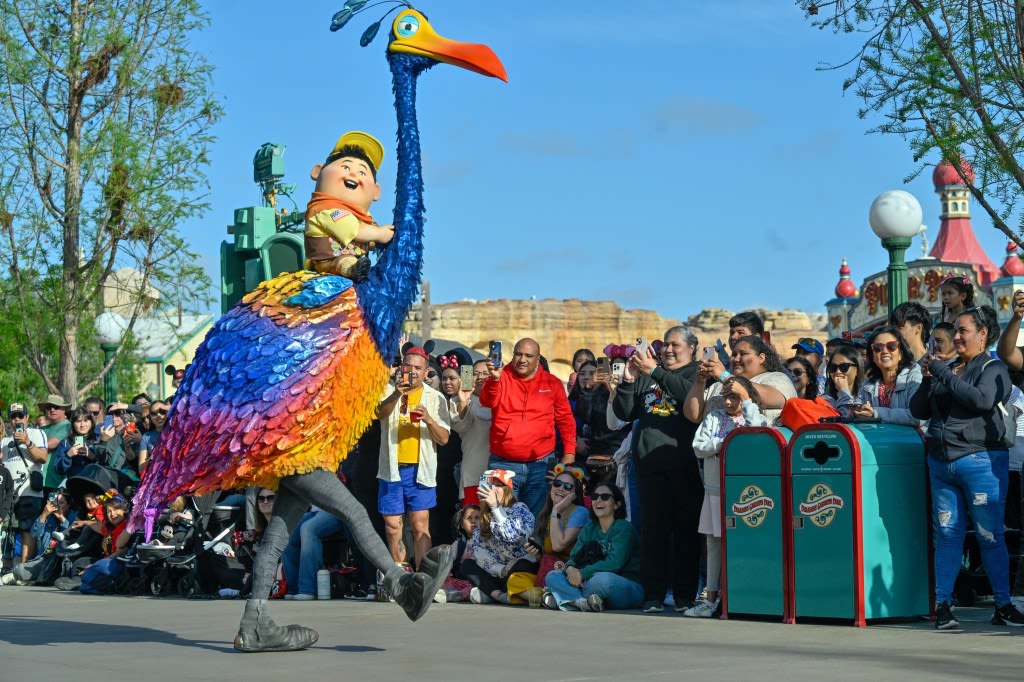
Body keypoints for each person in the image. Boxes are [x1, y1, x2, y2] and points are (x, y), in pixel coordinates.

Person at [909, 305, 1024, 629]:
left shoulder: (993, 368)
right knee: (946, 535)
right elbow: (919, 409)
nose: (956, 337)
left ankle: (1002, 604)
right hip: (941, 463)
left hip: (981, 462)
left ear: (983, 333)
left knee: (990, 535)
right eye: (954, 332)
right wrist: (927, 379)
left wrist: (943, 373)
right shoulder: (947, 368)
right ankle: (943, 605)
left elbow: (982, 401)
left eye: (963, 331)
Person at [614, 326, 703, 613]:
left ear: (691, 348)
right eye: (665, 344)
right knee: (654, 534)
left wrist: (654, 372)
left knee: (686, 535)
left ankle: (684, 596)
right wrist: (628, 382)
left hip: (685, 468)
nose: (668, 349)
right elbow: (624, 413)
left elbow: (688, 398)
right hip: (650, 469)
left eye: (675, 344)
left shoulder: (696, 373)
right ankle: (652, 595)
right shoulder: (648, 376)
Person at [687, 376, 767, 617]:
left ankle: (741, 595)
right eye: (727, 397)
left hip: (744, 494)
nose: (730, 402)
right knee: (713, 542)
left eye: (735, 397)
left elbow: (758, 435)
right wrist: (727, 442)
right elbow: (698, 447)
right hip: (714, 490)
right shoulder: (714, 417)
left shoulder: (753, 416)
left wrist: (747, 400)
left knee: (741, 542)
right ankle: (710, 597)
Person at [480, 338, 577, 516]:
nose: (522, 359)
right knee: (499, 519)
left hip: (541, 464)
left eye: (528, 356)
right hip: (502, 462)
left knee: (534, 521)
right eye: (518, 354)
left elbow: (565, 419)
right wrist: (494, 379)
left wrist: (569, 453)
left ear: (538, 359)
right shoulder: (500, 376)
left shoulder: (552, 383)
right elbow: (486, 401)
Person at [375, 346, 451, 568]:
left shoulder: (435, 398)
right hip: (391, 467)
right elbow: (379, 413)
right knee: (392, 525)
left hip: (420, 469)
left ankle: (422, 576)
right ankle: (401, 577)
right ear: (401, 367)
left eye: (418, 367)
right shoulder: (387, 390)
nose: (412, 371)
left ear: (426, 371)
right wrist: (398, 392)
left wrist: (428, 419)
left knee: (419, 526)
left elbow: (444, 438)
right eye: (408, 365)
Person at [303, 131, 395, 282]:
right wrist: (381, 234)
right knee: (345, 261)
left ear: (376, 191)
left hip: (355, 256)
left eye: (362, 172)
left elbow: (369, 235)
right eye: (346, 167)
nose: (353, 174)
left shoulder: (364, 217)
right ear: (318, 172)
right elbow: (355, 230)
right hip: (328, 261)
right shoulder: (326, 210)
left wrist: (378, 237)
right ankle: (353, 269)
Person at [543, 481, 642, 612]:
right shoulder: (589, 529)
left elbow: (614, 563)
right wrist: (570, 568)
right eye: (595, 497)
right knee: (553, 576)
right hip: (586, 582)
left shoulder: (624, 528)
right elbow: (574, 558)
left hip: (623, 585)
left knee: (603, 579)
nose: (598, 501)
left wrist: (580, 574)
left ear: (617, 504)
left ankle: (566, 598)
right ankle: (583, 603)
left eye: (605, 497)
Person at [509, 464, 589, 597]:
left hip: (571, 570)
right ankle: (544, 596)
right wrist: (537, 553)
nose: (561, 488)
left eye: (567, 487)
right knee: (515, 576)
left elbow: (558, 546)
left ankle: (544, 596)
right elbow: (546, 556)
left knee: (551, 576)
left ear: (575, 494)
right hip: (548, 567)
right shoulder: (546, 514)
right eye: (557, 483)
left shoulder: (579, 512)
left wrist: (556, 511)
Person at [462, 469, 536, 604]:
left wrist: (496, 508)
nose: (493, 490)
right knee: (467, 565)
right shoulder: (484, 516)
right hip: (499, 572)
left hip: (518, 568)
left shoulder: (520, 509)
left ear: (507, 489)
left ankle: (491, 593)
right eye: (491, 486)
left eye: (498, 486)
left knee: (522, 565)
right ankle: (498, 595)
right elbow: (479, 552)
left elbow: (511, 535)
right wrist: (501, 569)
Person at [847, 326, 923, 426]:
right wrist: (856, 412)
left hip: (911, 440)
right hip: (877, 440)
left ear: (901, 353)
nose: (884, 351)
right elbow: (852, 417)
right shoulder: (868, 385)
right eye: (878, 348)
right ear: (873, 356)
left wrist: (876, 413)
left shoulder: (914, 377)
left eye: (891, 346)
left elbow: (917, 417)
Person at [2, 402, 49, 564]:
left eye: (20, 416)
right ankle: (7, 567)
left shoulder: (36, 433)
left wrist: (27, 442)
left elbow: (43, 457)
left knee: (27, 528)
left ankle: (24, 568)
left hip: (29, 490)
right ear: (9, 420)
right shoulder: (5, 441)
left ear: (27, 417)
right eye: (13, 417)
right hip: (8, 493)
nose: (17, 420)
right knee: (8, 530)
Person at [450, 359, 493, 506]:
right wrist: (463, 402)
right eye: (475, 374)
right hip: (473, 474)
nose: (480, 377)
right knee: (474, 522)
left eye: (485, 373)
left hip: (500, 472)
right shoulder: (457, 401)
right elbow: (460, 426)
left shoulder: (503, 400)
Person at [37, 393, 72, 492]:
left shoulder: (67, 426)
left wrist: (30, 445)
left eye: (56, 407)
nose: (52, 410)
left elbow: (51, 444)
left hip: (57, 482)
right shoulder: (42, 429)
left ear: (63, 410)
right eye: (49, 407)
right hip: (39, 481)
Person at [823, 345, 866, 420]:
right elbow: (845, 419)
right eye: (833, 367)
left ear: (857, 369)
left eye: (844, 367)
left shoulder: (867, 396)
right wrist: (843, 391)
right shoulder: (824, 401)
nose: (838, 372)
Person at [137, 399, 169, 473]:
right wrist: (153, 456)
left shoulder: (175, 431)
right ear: (150, 416)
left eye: (162, 411)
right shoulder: (146, 436)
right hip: (155, 477)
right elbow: (141, 470)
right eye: (154, 413)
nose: (158, 415)